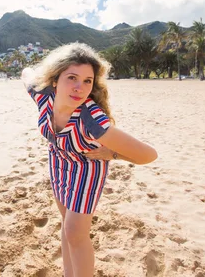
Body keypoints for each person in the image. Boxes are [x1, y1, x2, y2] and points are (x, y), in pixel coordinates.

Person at [22, 43, 158, 277]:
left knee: (75, 231)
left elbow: (148, 155)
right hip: (58, 160)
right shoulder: (44, 96)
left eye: (87, 81)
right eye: (72, 78)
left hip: (87, 167)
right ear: (55, 80)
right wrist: (31, 75)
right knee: (67, 223)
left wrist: (112, 154)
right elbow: (26, 75)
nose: (79, 87)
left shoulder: (92, 120)